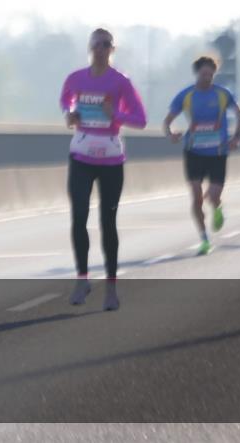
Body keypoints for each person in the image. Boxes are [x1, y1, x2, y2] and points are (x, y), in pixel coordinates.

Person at [60, 28, 147, 311]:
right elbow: (66, 101)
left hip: (110, 158)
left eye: (106, 44)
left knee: (108, 223)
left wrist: (116, 116)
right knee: (78, 218)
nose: (101, 48)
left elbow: (141, 119)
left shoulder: (121, 82)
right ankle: (82, 279)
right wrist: (69, 114)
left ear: (112, 50)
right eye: (97, 44)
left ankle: (111, 288)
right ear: (89, 47)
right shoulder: (76, 78)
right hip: (81, 155)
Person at [164, 56, 240, 255]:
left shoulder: (223, 94)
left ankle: (217, 208)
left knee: (214, 196)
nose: (207, 78)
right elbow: (167, 121)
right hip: (194, 152)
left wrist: (235, 137)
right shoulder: (186, 95)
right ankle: (204, 239)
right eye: (203, 74)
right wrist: (171, 133)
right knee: (196, 197)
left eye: (210, 74)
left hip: (218, 152)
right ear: (197, 73)